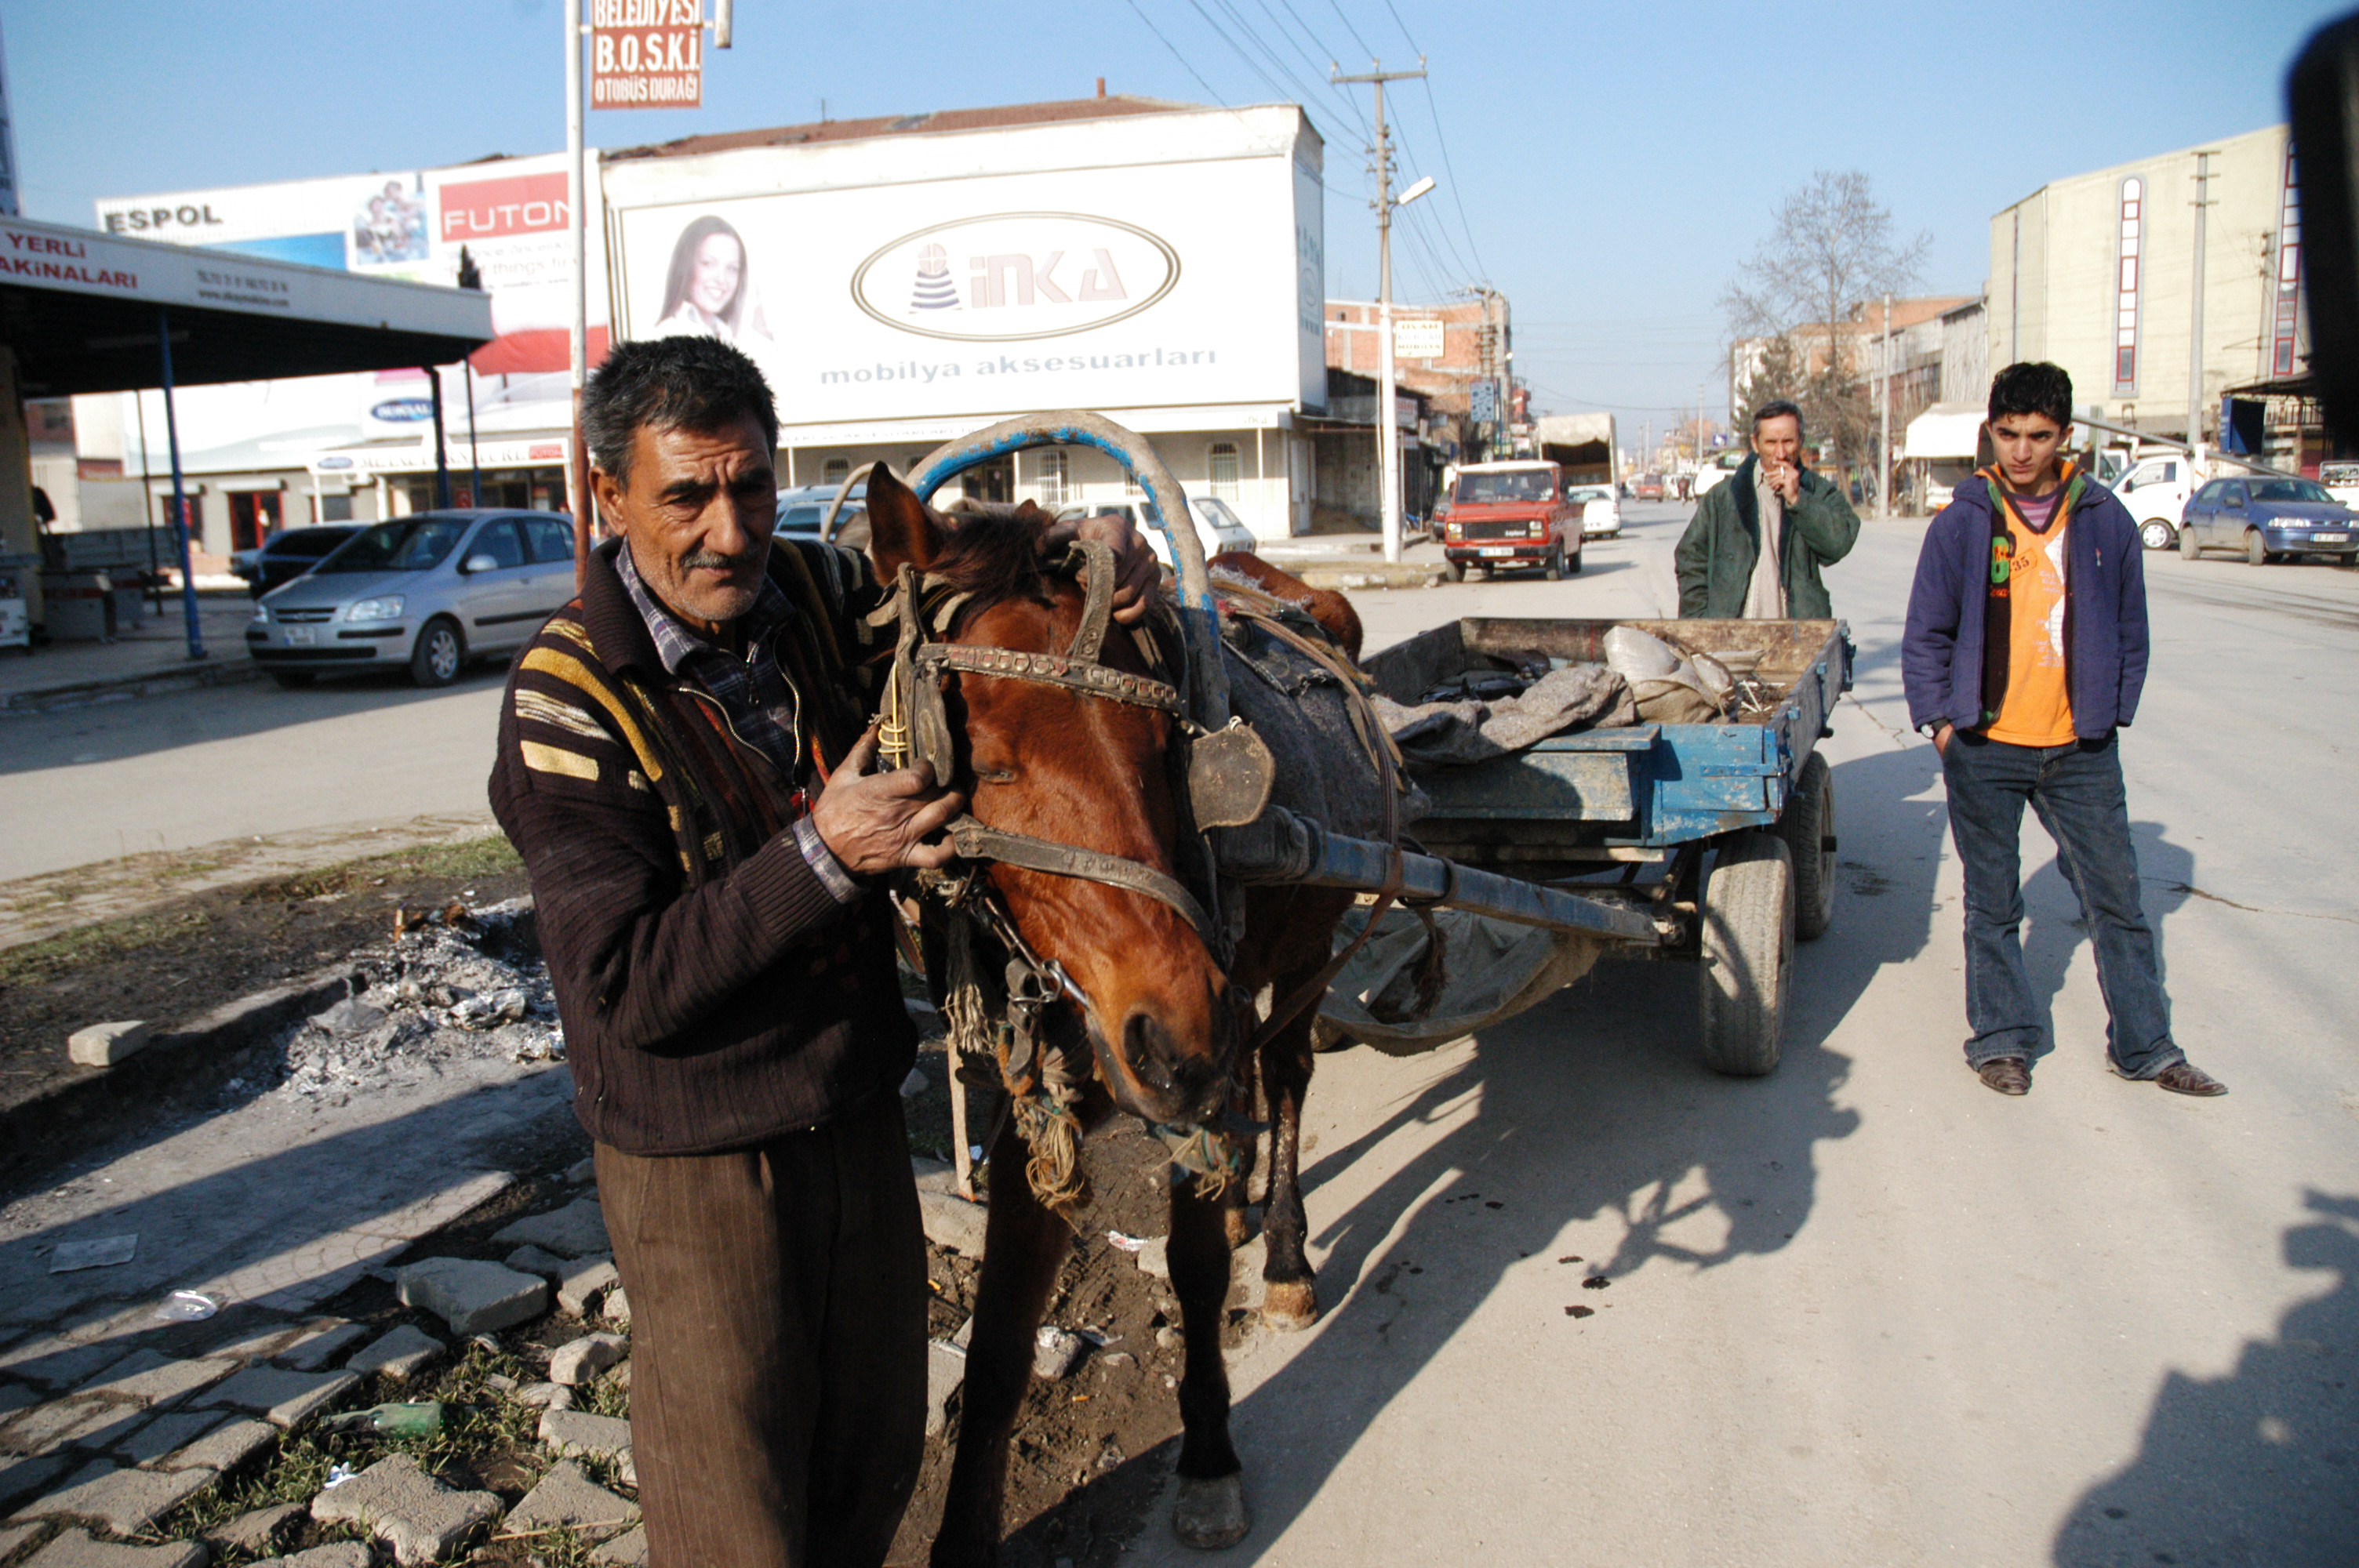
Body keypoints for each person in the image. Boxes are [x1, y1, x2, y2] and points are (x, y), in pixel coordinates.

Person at [487, 335, 1157, 1566]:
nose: (729, 530)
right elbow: (622, 984)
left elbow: (970, 594)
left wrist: (1091, 557)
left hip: (851, 1116)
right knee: (738, 1515)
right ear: (607, 496)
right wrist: (824, 855)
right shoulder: (567, 702)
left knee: (872, 1465)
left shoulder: (810, 592)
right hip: (700, 1164)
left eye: (750, 485)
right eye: (686, 493)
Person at [1902, 361, 2224, 1099]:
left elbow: (2131, 626)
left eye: (2038, 436)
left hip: (2079, 749)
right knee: (1993, 906)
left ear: (2065, 437)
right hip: (1984, 746)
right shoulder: (1963, 521)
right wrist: (1943, 728)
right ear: (1991, 433)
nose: (2020, 451)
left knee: (2117, 900)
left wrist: (2109, 716)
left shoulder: (2104, 517)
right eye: (2008, 434)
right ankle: (2002, 1043)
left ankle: (2146, 1048)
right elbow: (1926, 633)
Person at [1674, 400, 1859, 618]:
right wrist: (1701, 619)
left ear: (1800, 441)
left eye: (1788, 442)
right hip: (1731, 636)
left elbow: (1839, 543)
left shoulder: (1815, 491)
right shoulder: (1724, 497)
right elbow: (1690, 557)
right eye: (1771, 442)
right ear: (1755, 443)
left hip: (1798, 637)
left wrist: (1798, 501)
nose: (1780, 453)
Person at [653, 214, 765, 343]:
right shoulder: (668, 336)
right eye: (708, 263)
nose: (721, 279)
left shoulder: (730, 336)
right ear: (685, 266)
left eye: (732, 268)